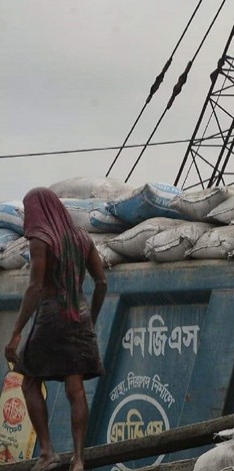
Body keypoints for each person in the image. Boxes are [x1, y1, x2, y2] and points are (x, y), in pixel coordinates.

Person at [4, 188, 107, 471]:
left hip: (52, 315)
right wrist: (92, 320)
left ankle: (48, 452)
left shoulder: (42, 241)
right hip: (80, 316)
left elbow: (36, 287)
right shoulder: (82, 238)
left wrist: (16, 332)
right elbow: (101, 283)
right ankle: (78, 459)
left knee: (28, 382)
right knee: (76, 388)